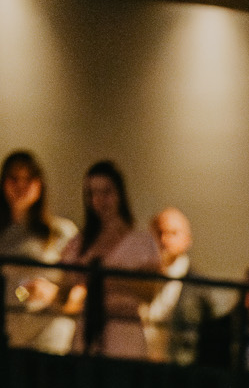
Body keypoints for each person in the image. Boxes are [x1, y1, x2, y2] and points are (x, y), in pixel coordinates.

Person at [51, 161, 158, 359]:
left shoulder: (140, 242)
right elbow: (63, 292)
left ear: (119, 194)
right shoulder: (80, 242)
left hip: (124, 335)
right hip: (88, 333)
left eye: (106, 192)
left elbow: (150, 291)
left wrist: (110, 279)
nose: (100, 201)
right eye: (93, 193)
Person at [1, 148, 77, 352]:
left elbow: (81, 292)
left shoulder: (61, 232)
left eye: (28, 179)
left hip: (49, 333)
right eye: (14, 178)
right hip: (9, 334)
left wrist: (52, 294)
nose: (20, 186)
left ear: (39, 184)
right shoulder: (4, 235)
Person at [140, 207, 217, 365]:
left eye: (173, 233)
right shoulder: (137, 276)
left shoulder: (199, 288)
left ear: (187, 239)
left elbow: (207, 339)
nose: (164, 240)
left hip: (178, 371)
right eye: (159, 233)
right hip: (136, 365)